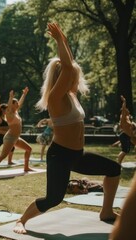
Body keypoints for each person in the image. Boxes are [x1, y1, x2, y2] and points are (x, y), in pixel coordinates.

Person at [13, 23, 121, 234]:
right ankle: (21, 220)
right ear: (63, 77)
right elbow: (69, 66)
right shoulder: (56, 97)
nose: (76, 78)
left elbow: (70, 64)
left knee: (113, 169)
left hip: (77, 154)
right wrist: (59, 40)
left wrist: (63, 38)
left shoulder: (71, 96)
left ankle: (106, 212)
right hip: (60, 156)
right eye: (72, 76)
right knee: (54, 198)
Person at [0, 87, 33, 175]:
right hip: (10, 137)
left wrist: (24, 94)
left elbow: (20, 103)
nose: (18, 104)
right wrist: (10, 97)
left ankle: (26, 167)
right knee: (3, 155)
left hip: (16, 138)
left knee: (29, 149)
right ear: (12, 104)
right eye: (16, 103)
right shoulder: (9, 114)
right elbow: (9, 107)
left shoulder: (16, 112)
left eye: (17, 103)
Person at [109, 99, 136, 240]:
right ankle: (118, 162)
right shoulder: (124, 119)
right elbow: (124, 112)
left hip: (126, 136)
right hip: (125, 136)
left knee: (126, 149)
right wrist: (124, 104)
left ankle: (118, 160)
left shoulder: (128, 121)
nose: (129, 113)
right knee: (125, 151)